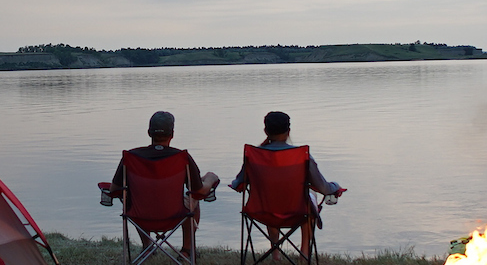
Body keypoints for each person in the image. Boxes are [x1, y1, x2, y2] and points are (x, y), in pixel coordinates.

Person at [102, 110, 223, 256]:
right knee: (193, 199)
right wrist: (210, 178)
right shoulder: (182, 158)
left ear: (148, 133)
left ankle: (148, 246)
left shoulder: (132, 157)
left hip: (140, 216)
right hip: (175, 216)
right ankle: (186, 251)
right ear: (172, 134)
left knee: (132, 199)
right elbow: (200, 191)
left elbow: (114, 189)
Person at [229, 110, 348, 208]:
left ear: (265, 131)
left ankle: (273, 238)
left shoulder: (254, 155)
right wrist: (336, 186)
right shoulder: (302, 156)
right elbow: (323, 188)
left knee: (272, 200)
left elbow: (237, 184)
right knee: (310, 198)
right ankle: (305, 238)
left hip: (261, 212)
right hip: (298, 212)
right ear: (288, 131)